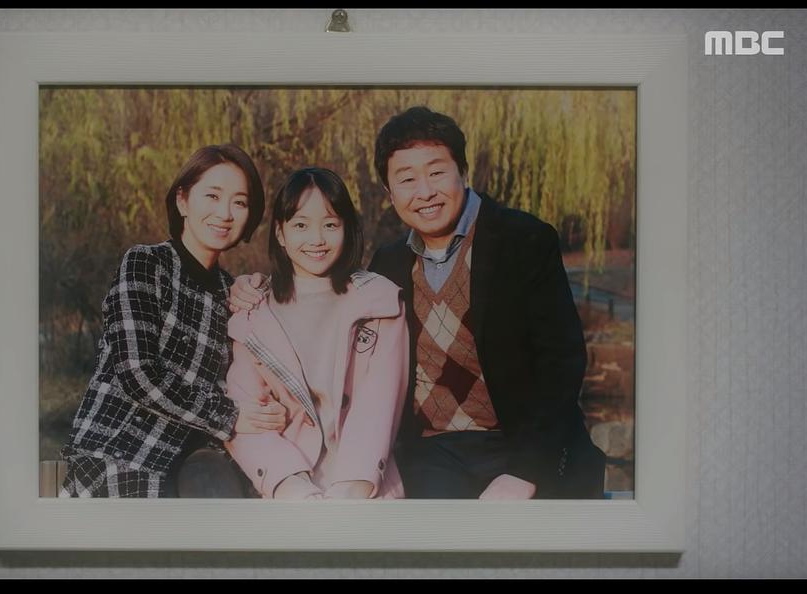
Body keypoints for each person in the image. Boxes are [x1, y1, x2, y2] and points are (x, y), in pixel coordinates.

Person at [230, 107, 606, 499]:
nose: (424, 192)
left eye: (436, 172)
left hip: (520, 444)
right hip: (433, 454)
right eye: (407, 179)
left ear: (463, 171)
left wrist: (526, 471)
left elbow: (561, 362)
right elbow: (322, 294)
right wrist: (253, 286)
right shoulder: (390, 265)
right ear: (390, 192)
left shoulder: (523, 240)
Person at [60, 144, 286, 498]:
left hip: (192, 464)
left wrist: (270, 411)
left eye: (239, 202)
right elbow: (136, 373)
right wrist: (228, 416)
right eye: (212, 196)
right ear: (182, 201)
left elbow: (239, 381)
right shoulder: (146, 264)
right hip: (119, 457)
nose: (225, 213)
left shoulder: (232, 294)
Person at [224, 168, 409, 500]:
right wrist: (291, 487)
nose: (317, 239)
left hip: (365, 488)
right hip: (287, 486)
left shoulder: (379, 302)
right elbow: (248, 414)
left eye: (330, 225)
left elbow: (379, 406)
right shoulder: (254, 312)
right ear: (280, 233)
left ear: (347, 229)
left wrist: (352, 490)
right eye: (300, 225)